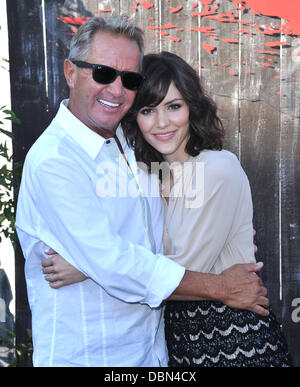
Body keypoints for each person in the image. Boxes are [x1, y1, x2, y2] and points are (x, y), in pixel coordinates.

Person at [16, 16, 268, 367]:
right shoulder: (55, 161)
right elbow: (115, 262)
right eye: (102, 72)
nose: (117, 90)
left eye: (130, 79)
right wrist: (221, 286)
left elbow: (141, 246)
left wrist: (86, 266)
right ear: (70, 72)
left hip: (158, 353)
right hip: (92, 357)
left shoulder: (132, 147)